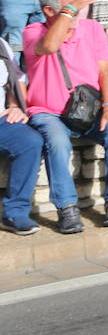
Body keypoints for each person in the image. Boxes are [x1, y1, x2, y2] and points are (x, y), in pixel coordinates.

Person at [21, 0, 108, 232]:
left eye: (78, 8)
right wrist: (70, 11)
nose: (76, 16)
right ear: (49, 11)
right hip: (49, 112)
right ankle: (67, 209)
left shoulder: (91, 29)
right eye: (69, 10)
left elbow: (104, 72)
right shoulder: (33, 32)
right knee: (57, 141)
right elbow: (48, 47)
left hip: (89, 110)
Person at [0, 37, 43, 235]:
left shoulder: (1, 44)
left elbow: (14, 79)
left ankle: (14, 213)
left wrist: (15, 105)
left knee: (29, 141)